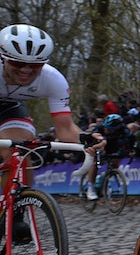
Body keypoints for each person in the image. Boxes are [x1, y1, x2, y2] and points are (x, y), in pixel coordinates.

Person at [0, 24, 92, 185]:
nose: (26, 70)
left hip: (10, 108)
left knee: (18, 150)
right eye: (18, 63)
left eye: (36, 65)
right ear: (3, 57)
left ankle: (19, 204)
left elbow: (65, 129)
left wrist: (88, 140)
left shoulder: (53, 79)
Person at [83, 113, 134, 199]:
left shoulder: (124, 130)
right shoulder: (99, 128)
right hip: (98, 144)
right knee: (95, 163)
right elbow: (91, 141)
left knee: (115, 164)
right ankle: (90, 188)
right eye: (105, 127)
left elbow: (131, 141)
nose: (106, 130)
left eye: (109, 129)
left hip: (113, 145)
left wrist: (131, 150)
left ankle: (102, 178)